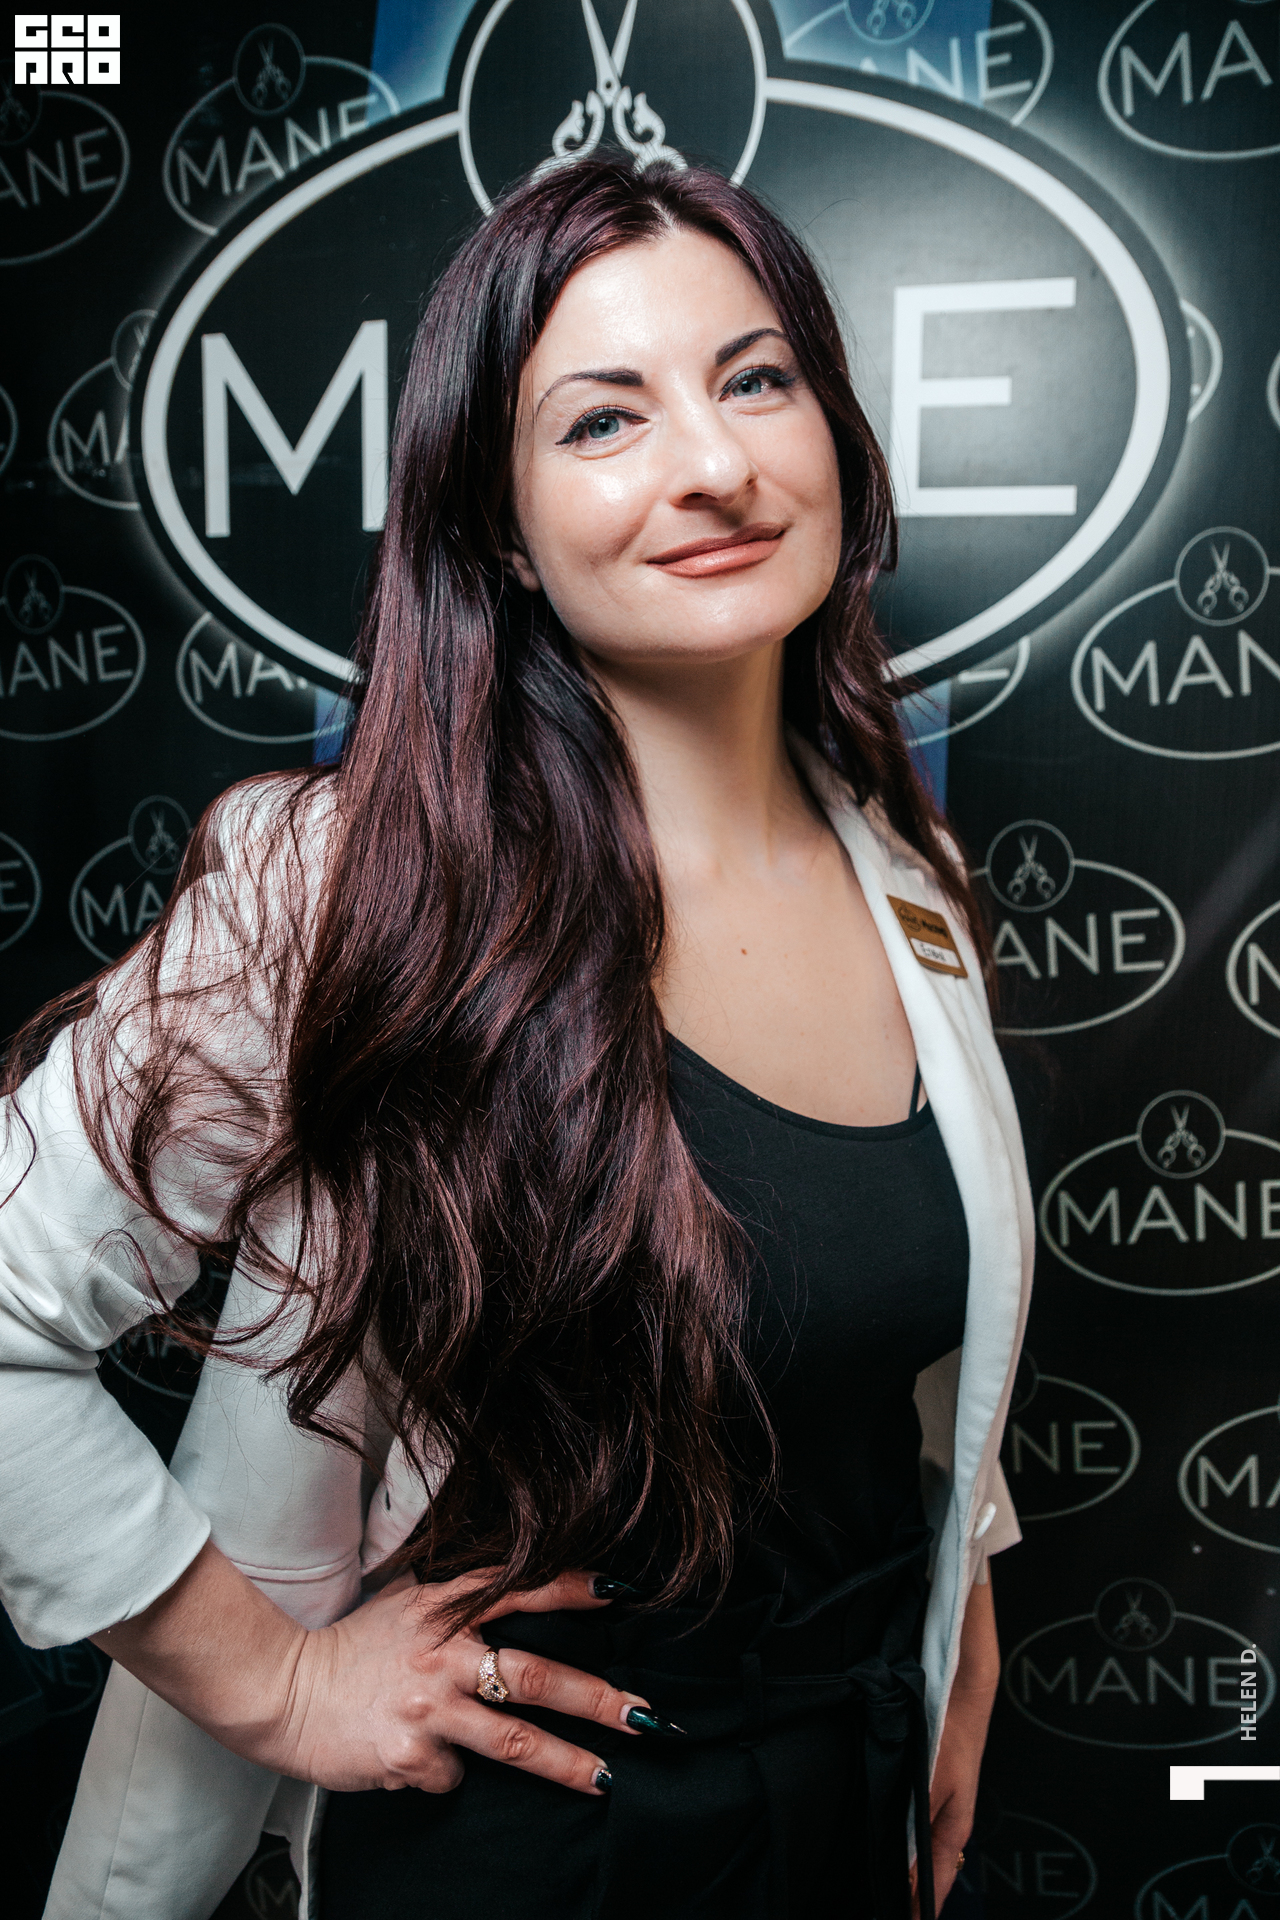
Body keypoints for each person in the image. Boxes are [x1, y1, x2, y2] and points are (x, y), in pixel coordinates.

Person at [0, 157, 1033, 1920]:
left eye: (756, 380)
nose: (713, 467)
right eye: (604, 420)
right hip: (528, 1846)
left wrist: (964, 1619)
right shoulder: (345, 890)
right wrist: (283, 1685)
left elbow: (900, 1360)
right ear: (495, 526)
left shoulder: (906, 872)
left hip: (848, 1784)